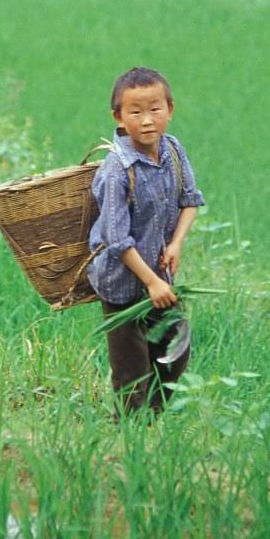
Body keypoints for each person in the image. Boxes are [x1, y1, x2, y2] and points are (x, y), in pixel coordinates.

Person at [87, 66, 204, 414]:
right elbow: (116, 239)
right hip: (122, 281)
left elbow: (190, 201)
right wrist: (151, 282)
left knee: (175, 353)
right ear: (119, 118)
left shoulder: (173, 150)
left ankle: (150, 422)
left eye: (155, 109)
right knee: (131, 369)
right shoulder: (116, 170)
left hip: (159, 275)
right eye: (135, 112)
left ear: (170, 109)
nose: (147, 120)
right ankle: (131, 432)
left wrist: (177, 243)